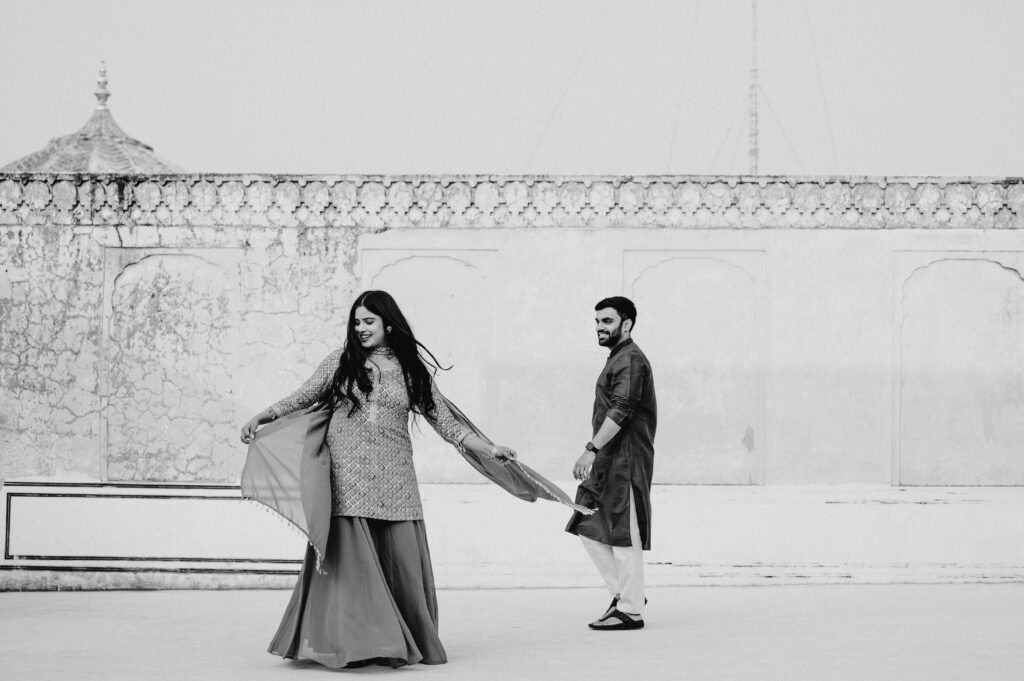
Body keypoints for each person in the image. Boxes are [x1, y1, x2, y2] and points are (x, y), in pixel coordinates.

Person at [239, 290, 518, 668]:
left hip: (395, 477)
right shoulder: (340, 362)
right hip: (347, 477)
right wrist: (263, 416)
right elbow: (303, 396)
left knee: (400, 563)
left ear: (388, 323)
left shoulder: (411, 370)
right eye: (356, 322)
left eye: (368, 321)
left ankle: (397, 642)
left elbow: (447, 424)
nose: (361, 328)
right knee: (351, 569)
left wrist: (490, 448)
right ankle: (356, 645)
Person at [565, 296, 657, 631]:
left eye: (607, 321)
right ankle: (627, 595)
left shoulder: (630, 359)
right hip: (609, 461)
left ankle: (630, 610)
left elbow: (622, 409)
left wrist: (590, 449)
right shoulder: (618, 358)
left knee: (623, 535)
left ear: (626, 324)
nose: (600, 327)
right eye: (597, 322)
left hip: (625, 462)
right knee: (586, 522)